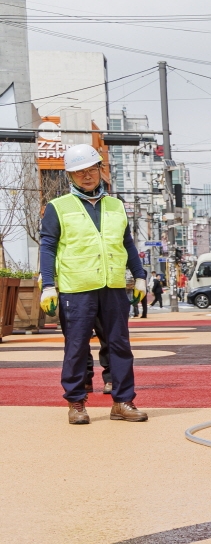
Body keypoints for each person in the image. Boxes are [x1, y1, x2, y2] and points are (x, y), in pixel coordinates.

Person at [39, 144, 148, 424]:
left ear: (100, 170)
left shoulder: (116, 205)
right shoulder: (58, 207)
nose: (86, 176)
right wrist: (48, 285)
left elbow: (127, 244)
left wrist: (140, 276)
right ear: (70, 176)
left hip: (112, 286)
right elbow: (48, 247)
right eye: (79, 172)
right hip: (76, 288)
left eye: (90, 169)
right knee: (76, 347)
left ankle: (123, 402)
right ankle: (76, 403)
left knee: (119, 345)